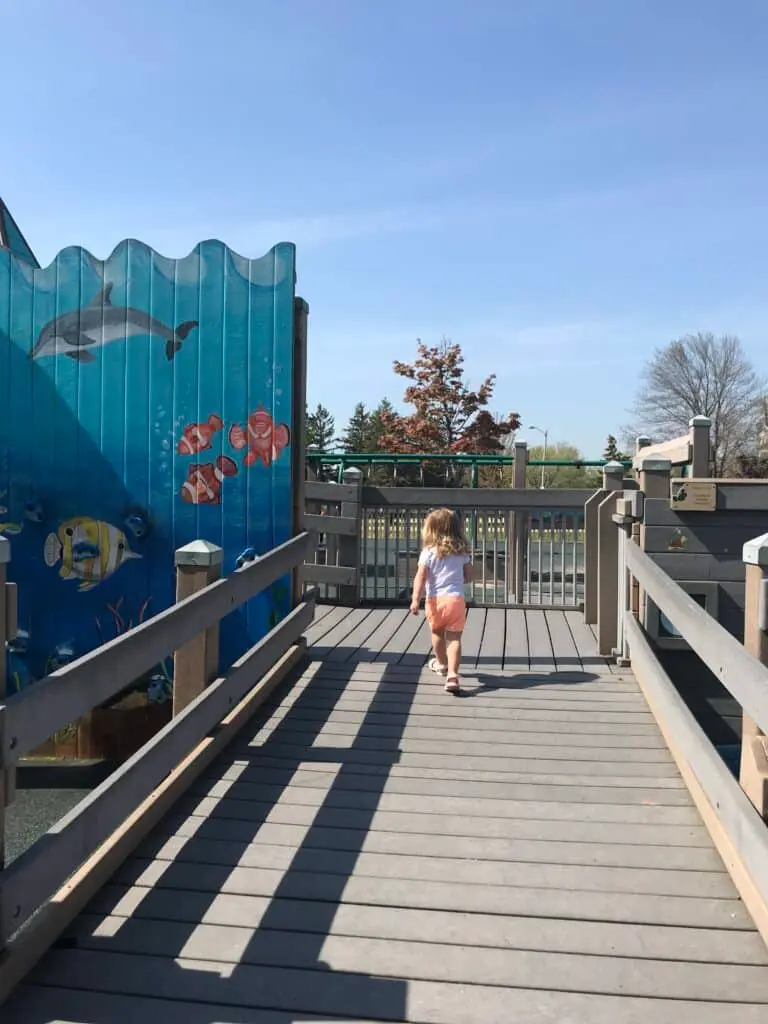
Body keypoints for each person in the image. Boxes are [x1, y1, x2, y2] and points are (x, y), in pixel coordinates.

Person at [409, 507, 474, 694]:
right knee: (454, 639)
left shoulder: (428, 552)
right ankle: (453, 675)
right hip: (455, 600)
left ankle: (441, 663)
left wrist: (415, 600)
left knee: (437, 633)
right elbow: (469, 576)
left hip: (435, 600)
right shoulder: (461, 552)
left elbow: (420, 578)